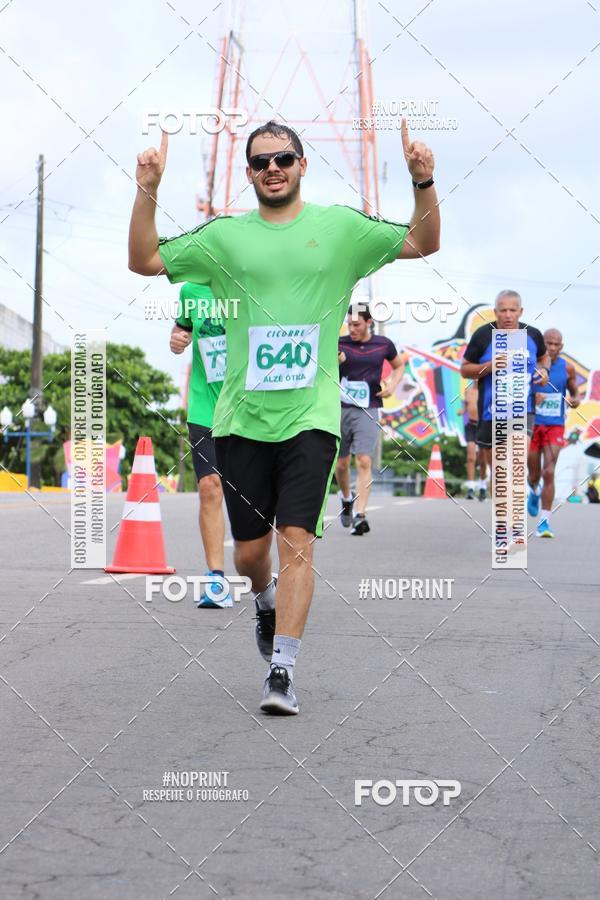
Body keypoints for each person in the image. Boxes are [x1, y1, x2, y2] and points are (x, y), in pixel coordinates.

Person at [129, 117, 440, 715]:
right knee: (251, 554)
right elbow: (143, 259)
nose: (273, 168)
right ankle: (263, 601)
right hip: (241, 422)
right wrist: (149, 187)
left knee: (297, 540)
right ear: (248, 173)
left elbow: (422, 242)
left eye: (284, 159)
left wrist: (422, 181)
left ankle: (283, 670)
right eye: (261, 161)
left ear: (302, 165)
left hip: (312, 418)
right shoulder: (224, 239)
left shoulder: (342, 229)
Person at [170, 281, 230, 605]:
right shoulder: (191, 292)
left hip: (250, 408)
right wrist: (176, 341)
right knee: (209, 486)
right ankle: (216, 580)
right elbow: (181, 333)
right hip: (205, 405)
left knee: (255, 496)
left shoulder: (251, 279)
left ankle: (260, 569)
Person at [460, 291, 550, 479]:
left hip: (522, 409)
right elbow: (465, 369)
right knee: (500, 474)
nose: (508, 315)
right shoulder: (483, 335)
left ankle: (516, 505)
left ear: (520, 311)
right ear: (495, 312)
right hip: (491, 411)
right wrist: (489, 366)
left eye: (512, 310)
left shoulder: (532, 335)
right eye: (503, 310)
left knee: (517, 462)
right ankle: (504, 507)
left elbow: (544, 357)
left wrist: (545, 370)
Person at [336, 305, 405, 534]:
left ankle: (360, 513)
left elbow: (398, 365)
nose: (352, 329)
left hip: (368, 408)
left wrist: (392, 386)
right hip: (339, 408)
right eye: (349, 324)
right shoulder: (339, 343)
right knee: (341, 464)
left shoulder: (383, 344)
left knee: (364, 460)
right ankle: (347, 499)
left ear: (368, 323)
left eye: (356, 324)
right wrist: (337, 361)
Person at [527, 328, 579, 537]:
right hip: (531, 424)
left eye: (556, 344)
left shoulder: (568, 368)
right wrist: (532, 398)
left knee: (549, 471)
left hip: (555, 425)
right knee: (534, 473)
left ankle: (544, 522)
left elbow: (575, 393)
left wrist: (574, 400)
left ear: (561, 346)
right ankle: (534, 489)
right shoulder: (531, 365)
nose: (552, 348)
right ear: (542, 344)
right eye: (548, 343)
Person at [458, 381, 487, 500]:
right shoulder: (468, 391)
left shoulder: (486, 390)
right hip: (471, 426)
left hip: (483, 425)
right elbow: (466, 406)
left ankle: (482, 486)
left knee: (482, 458)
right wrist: (462, 411)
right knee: (470, 456)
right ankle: (470, 488)